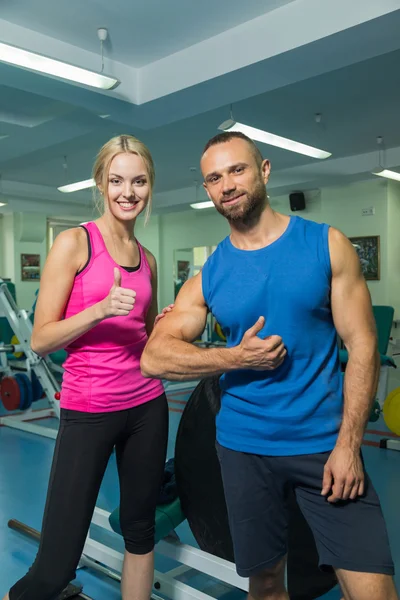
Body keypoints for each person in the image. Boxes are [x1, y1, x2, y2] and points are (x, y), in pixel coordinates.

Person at [140, 131, 398, 600]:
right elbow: (154, 355)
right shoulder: (211, 273)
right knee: (263, 582)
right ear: (207, 190)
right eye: (214, 178)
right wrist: (236, 357)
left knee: (371, 587)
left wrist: (349, 445)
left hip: (324, 446)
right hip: (243, 450)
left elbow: (362, 344)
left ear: (263, 170)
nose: (227, 185)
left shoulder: (326, 245)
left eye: (236, 170)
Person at [4, 135, 169, 600]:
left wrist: (174, 326)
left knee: (140, 533)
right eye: (117, 180)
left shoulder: (149, 261)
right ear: (100, 183)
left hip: (147, 408)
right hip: (90, 410)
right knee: (56, 566)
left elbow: (148, 336)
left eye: (138, 181)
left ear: (150, 186)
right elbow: (40, 338)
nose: (127, 192)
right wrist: (98, 310)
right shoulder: (74, 243)